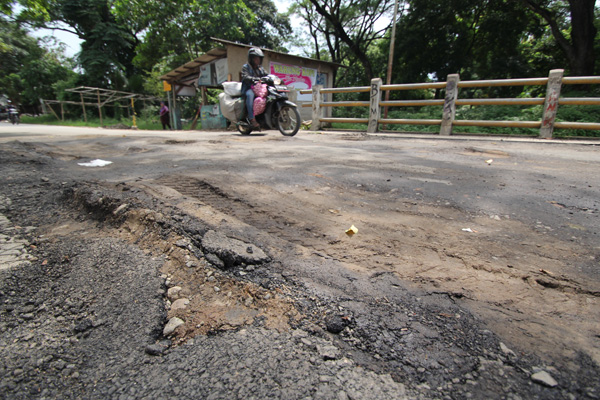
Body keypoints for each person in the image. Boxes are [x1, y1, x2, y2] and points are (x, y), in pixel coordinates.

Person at [241, 47, 268, 129]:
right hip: (249, 88)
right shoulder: (246, 67)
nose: (258, 60)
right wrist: (252, 79)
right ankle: (251, 118)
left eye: (259, 58)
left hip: (259, 89)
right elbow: (245, 77)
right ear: (251, 59)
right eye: (256, 58)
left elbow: (266, 75)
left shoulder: (260, 68)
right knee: (250, 95)